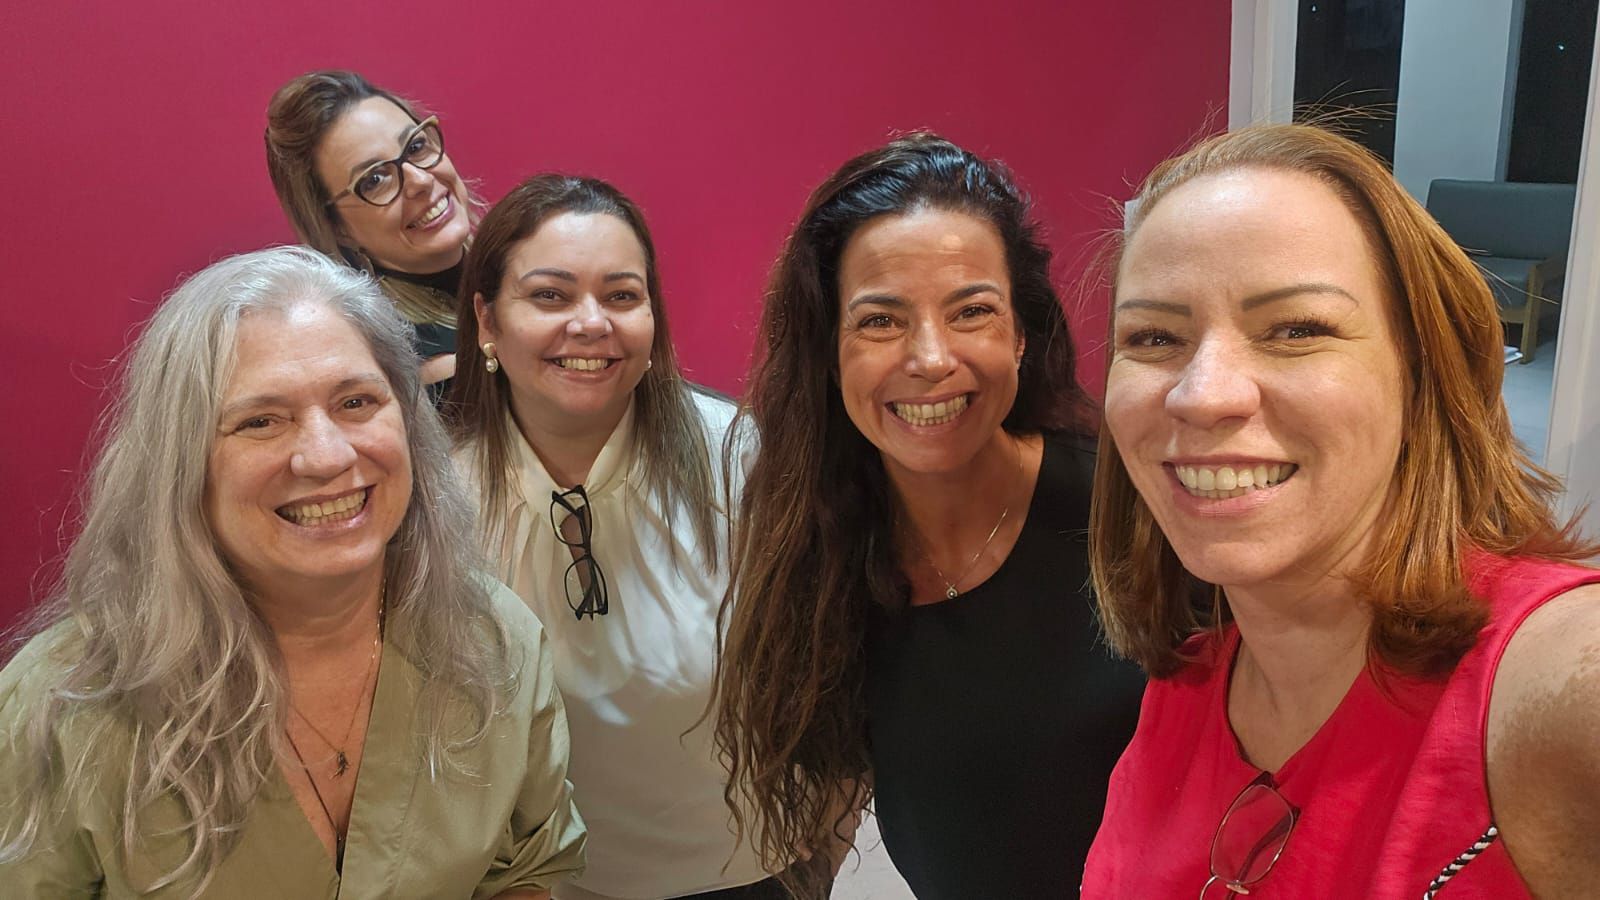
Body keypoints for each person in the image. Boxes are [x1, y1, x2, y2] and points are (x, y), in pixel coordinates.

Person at [1081, 123, 1600, 898]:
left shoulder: (1549, 691)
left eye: (1296, 330)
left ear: (1423, 376)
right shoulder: (1185, 686)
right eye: (1154, 336)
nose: (1202, 392)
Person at [0, 247, 585, 898]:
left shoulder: (497, 641)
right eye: (261, 420)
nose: (327, 455)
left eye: (357, 401)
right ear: (182, 462)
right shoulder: (61, 709)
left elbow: (529, 869)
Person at [712, 133, 1145, 899]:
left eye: (971, 311)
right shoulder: (823, 542)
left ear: (1020, 336)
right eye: (880, 321)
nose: (930, 357)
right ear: (831, 350)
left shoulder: (1130, 515)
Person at [448, 175, 776, 899]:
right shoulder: (435, 502)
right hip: (532, 884)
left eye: (622, 296)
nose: (591, 323)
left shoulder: (740, 456)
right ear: (486, 320)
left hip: (744, 870)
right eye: (551, 296)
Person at [266, 70, 476, 391]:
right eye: (375, 180)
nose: (420, 180)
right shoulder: (436, 371)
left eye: (417, 146)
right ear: (338, 230)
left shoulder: (520, 260)